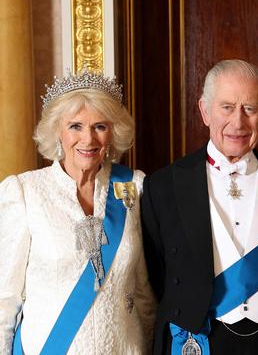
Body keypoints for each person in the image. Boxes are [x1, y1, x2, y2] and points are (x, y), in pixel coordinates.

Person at [141, 59, 258, 355]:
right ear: (205, 111)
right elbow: (155, 275)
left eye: (250, 108)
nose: (238, 123)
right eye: (227, 107)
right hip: (195, 341)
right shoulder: (163, 186)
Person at [0, 69, 156, 354]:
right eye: (75, 126)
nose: (88, 139)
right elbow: (4, 301)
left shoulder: (133, 187)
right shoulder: (25, 193)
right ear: (57, 130)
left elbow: (143, 290)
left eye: (100, 126)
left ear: (113, 131)